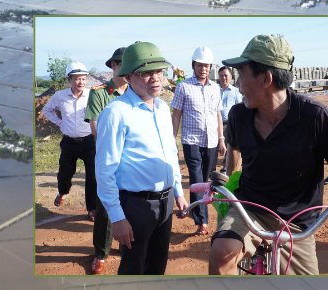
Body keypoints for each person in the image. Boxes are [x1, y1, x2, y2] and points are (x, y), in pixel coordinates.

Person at [210, 34, 328, 275]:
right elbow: (234, 150)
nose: (238, 84)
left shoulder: (313, 115)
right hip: (249, 209)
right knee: (223, 252)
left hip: (297, 223)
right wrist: (229, 182)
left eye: (242, 75)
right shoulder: (239, 115)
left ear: (266, 79)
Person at [95, 41, 187, 275]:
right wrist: (117, 217)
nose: (155, 78)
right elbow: (105, 170)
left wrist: (178, 190)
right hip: (136, 206)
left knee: (157, 265)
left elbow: (170, 152)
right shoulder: (116, 113)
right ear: (128, 77)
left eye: (159, 71)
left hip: (165, 202)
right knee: (133, 268)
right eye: (146, 73)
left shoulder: (163, 109)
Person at [171, 47, 224, 236]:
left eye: (206, 65)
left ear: (210, 67)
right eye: (200, 65)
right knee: (196, 177)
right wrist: (172, 139)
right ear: (193, 65)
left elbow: (217, 114)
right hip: (191, 140)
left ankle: (194, 210)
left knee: (206, 181)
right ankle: (203, 221)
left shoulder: (215, 88)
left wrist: (221, 138)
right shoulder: (184, 86)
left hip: (211, 141)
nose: (203, 69)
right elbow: (176, 114)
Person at [84, 47, 127, 275]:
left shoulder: (135, 93)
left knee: (130, 203)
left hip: (130, 160)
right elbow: (95, 128)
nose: (125, 68)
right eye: (121, 64)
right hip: (108, 158)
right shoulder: (100, 93)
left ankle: (126, 245)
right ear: (113, 66)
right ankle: (101, 253)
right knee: (105, 207)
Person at [41, 61, 95, 218]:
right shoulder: (60, 96)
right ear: (69, 79)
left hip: (89, 142)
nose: (81, 82)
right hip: (69, 142)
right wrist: (60, 123)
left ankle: (92, 208)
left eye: (83, 78)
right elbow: (47, 110)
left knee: (93, 176)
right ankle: (63, 192)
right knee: (64, 173)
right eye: (77, 78)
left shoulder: (92, 95)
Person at [218, 66, 243, 174]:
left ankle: (225, 169)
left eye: (225, 75)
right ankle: (210, 169)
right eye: (221, 75)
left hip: (229, 124)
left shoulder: (236, 91)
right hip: (215, 124)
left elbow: (240, 107)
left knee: (229, 146)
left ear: (230, 77)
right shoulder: (214, 90)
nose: (223, 78)